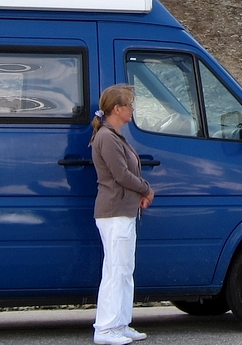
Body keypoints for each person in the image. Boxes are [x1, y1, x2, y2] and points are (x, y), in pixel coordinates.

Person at [90, 84, 154, 344]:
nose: (132, 109)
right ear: (117, 109)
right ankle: (105, 329)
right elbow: (121, 175)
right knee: (115, 271)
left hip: (123, 212)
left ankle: (120, 323)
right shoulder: (107, 137)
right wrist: (146, 189)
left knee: (124, 270)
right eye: (129, 105)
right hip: (114, 212)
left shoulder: (114, 136)